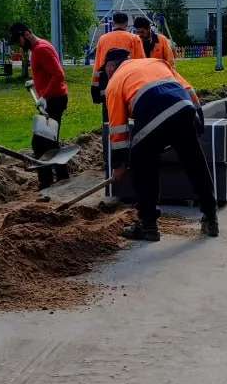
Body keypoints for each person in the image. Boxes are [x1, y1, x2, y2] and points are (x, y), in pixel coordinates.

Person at [102, 49, 219, 241]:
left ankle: (148, 226)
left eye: (105, 70)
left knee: (142, 164)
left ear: (112, 66)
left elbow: (118, 130)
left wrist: (120, 165)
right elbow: (189, 90)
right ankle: (211, 217)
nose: (105, 75)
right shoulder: (156, 62)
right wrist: (196, 124)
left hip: (152, 111)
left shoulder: (115, 82)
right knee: (195, 162)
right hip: (183, 109)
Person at [10, 22, 69, 189]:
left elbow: (58, 74)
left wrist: (44, 96)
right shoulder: (37, 49)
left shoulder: (42, 49)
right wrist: (35, 82)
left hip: (54, 100)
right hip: (53, 98)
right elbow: (47, 73)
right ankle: (61, 178)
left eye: (19, 40)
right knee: (49, 141)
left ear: (26, 34)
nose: (19, 45)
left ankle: (48, 182)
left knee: (40, 143)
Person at [90, 12, 145, 103]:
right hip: (128, 83)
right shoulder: (135, 39)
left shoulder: (103, 39)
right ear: (127, 24)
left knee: (109, 112)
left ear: (113, 23)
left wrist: (95, 88)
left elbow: (98, 65)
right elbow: (141, 64)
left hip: (108, 84)